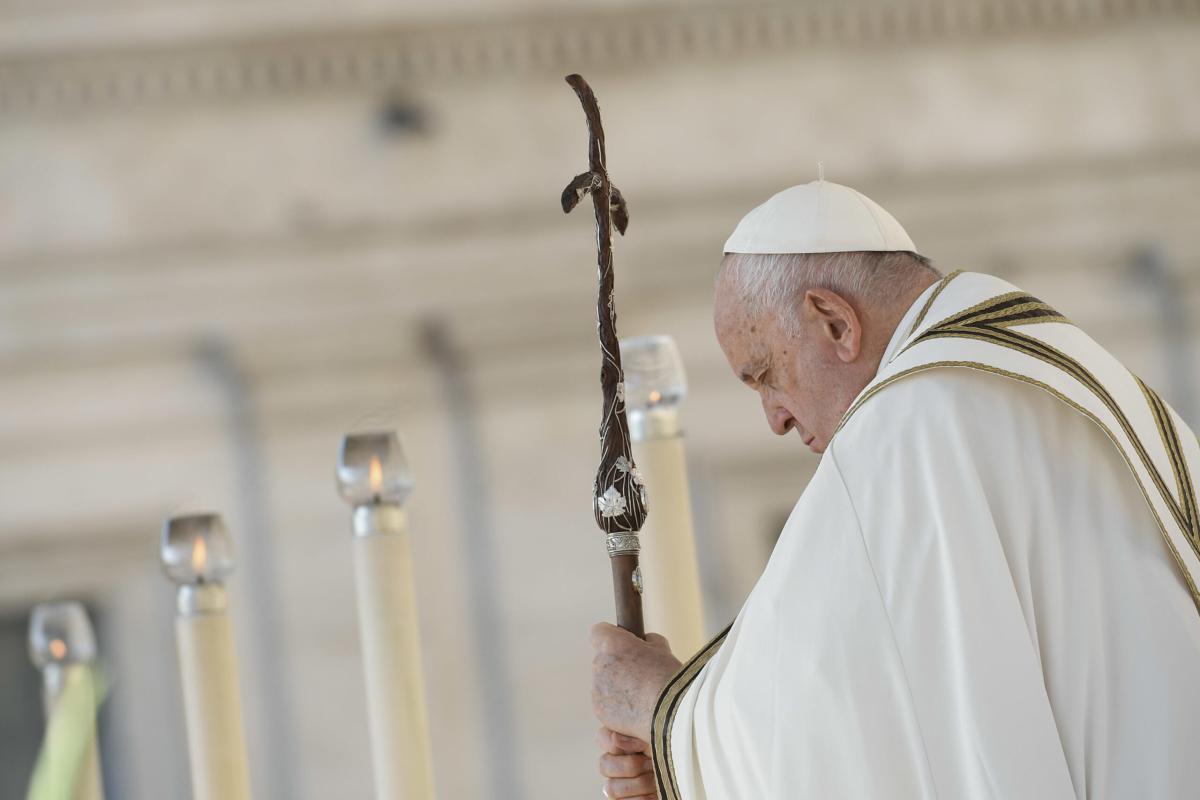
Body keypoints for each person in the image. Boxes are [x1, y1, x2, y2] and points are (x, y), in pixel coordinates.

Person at [590, 178, 1200, 799]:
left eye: (767, 375)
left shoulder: (909, 423)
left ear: (834, 322)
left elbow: (837, 721)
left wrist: (666, 717)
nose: (775, 418)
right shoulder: (1054, 361)